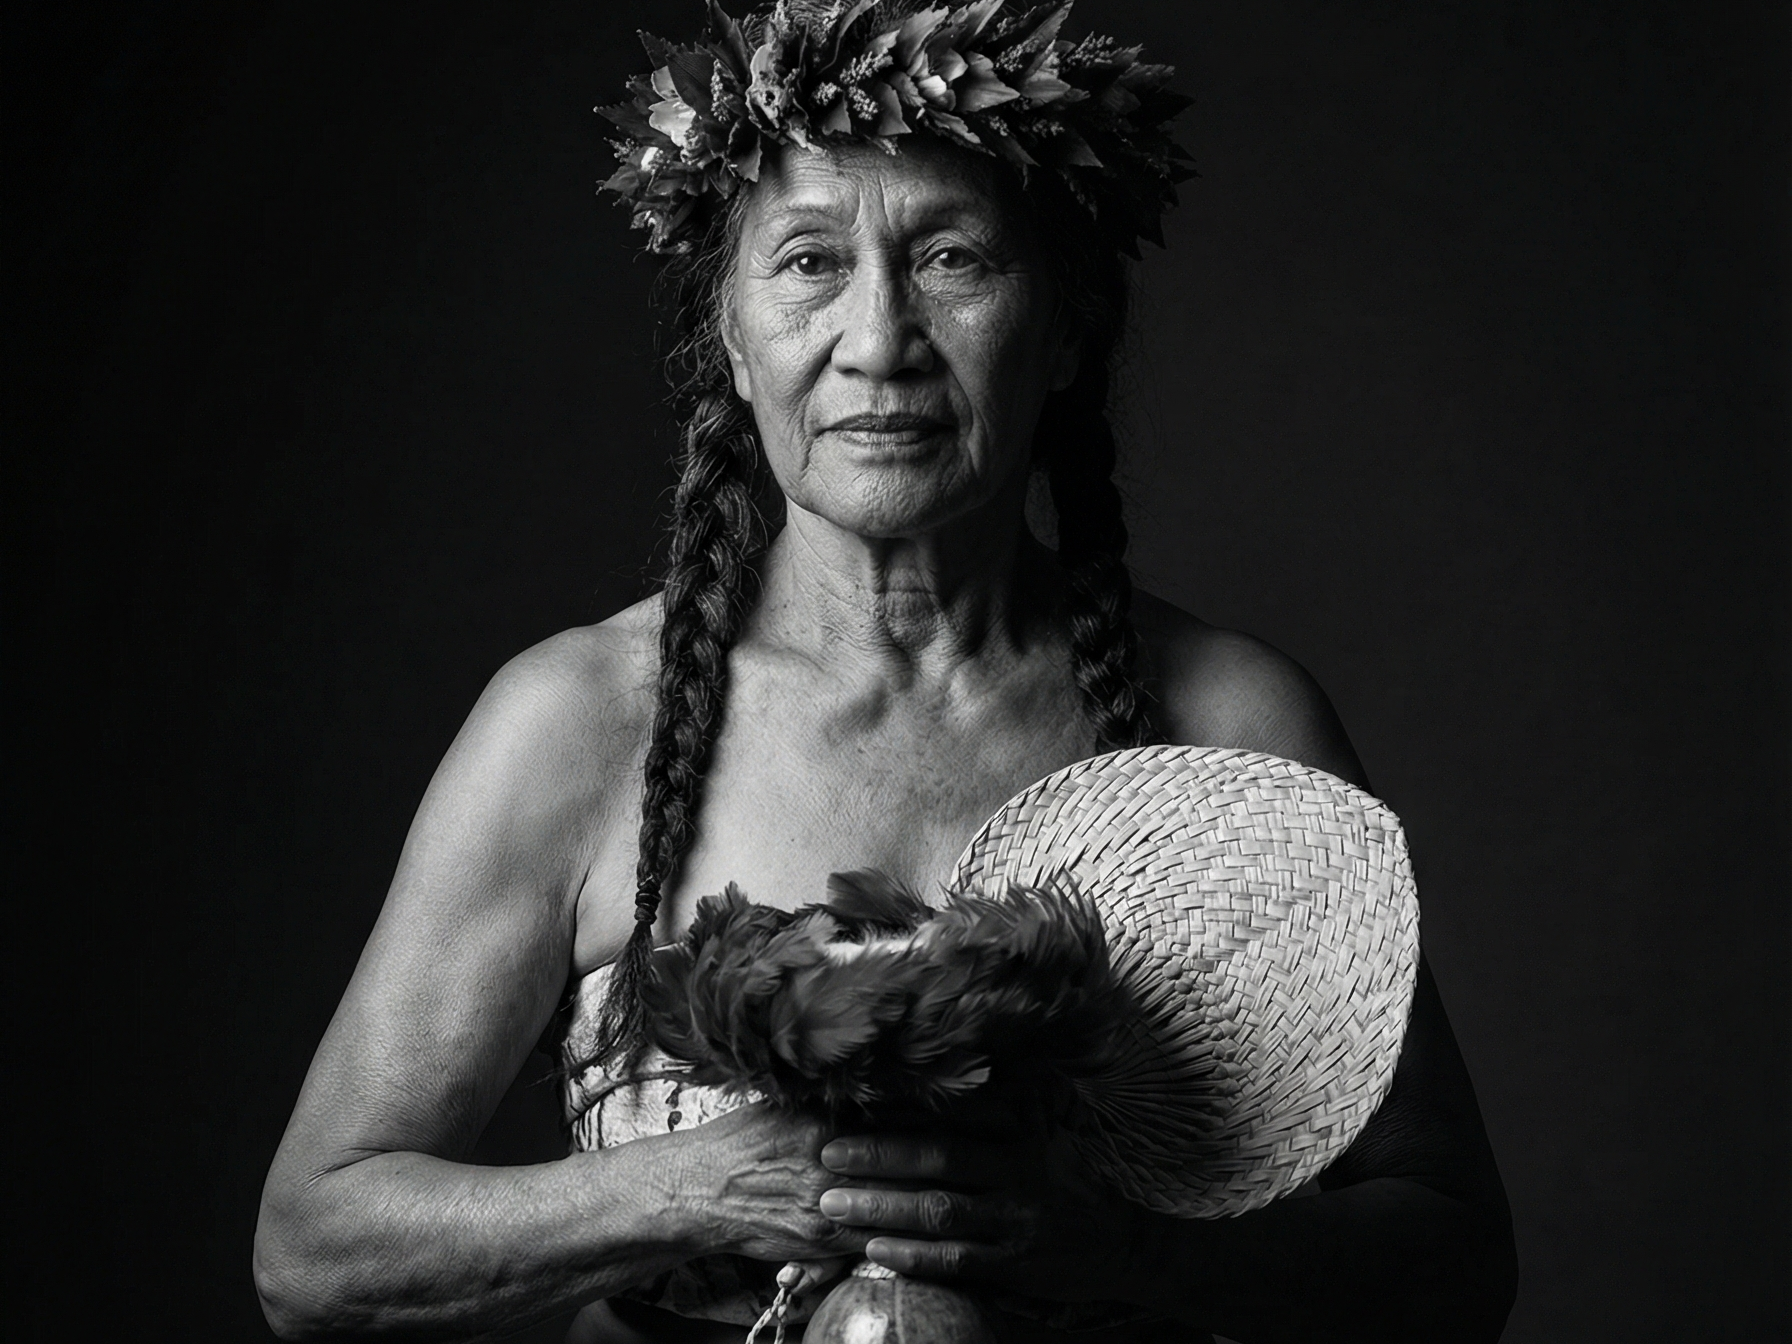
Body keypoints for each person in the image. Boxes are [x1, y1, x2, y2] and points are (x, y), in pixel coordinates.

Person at [255, 4, 1517, 1340]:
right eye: (809, 262)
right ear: (733, 342)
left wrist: (1124, 1251)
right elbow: (315, 1254)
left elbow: (1452, 1260)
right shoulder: (577, 721)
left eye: (952, 258)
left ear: (1069, 326)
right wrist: (701, 1188)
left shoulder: (1226, 719)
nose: (879, 339)